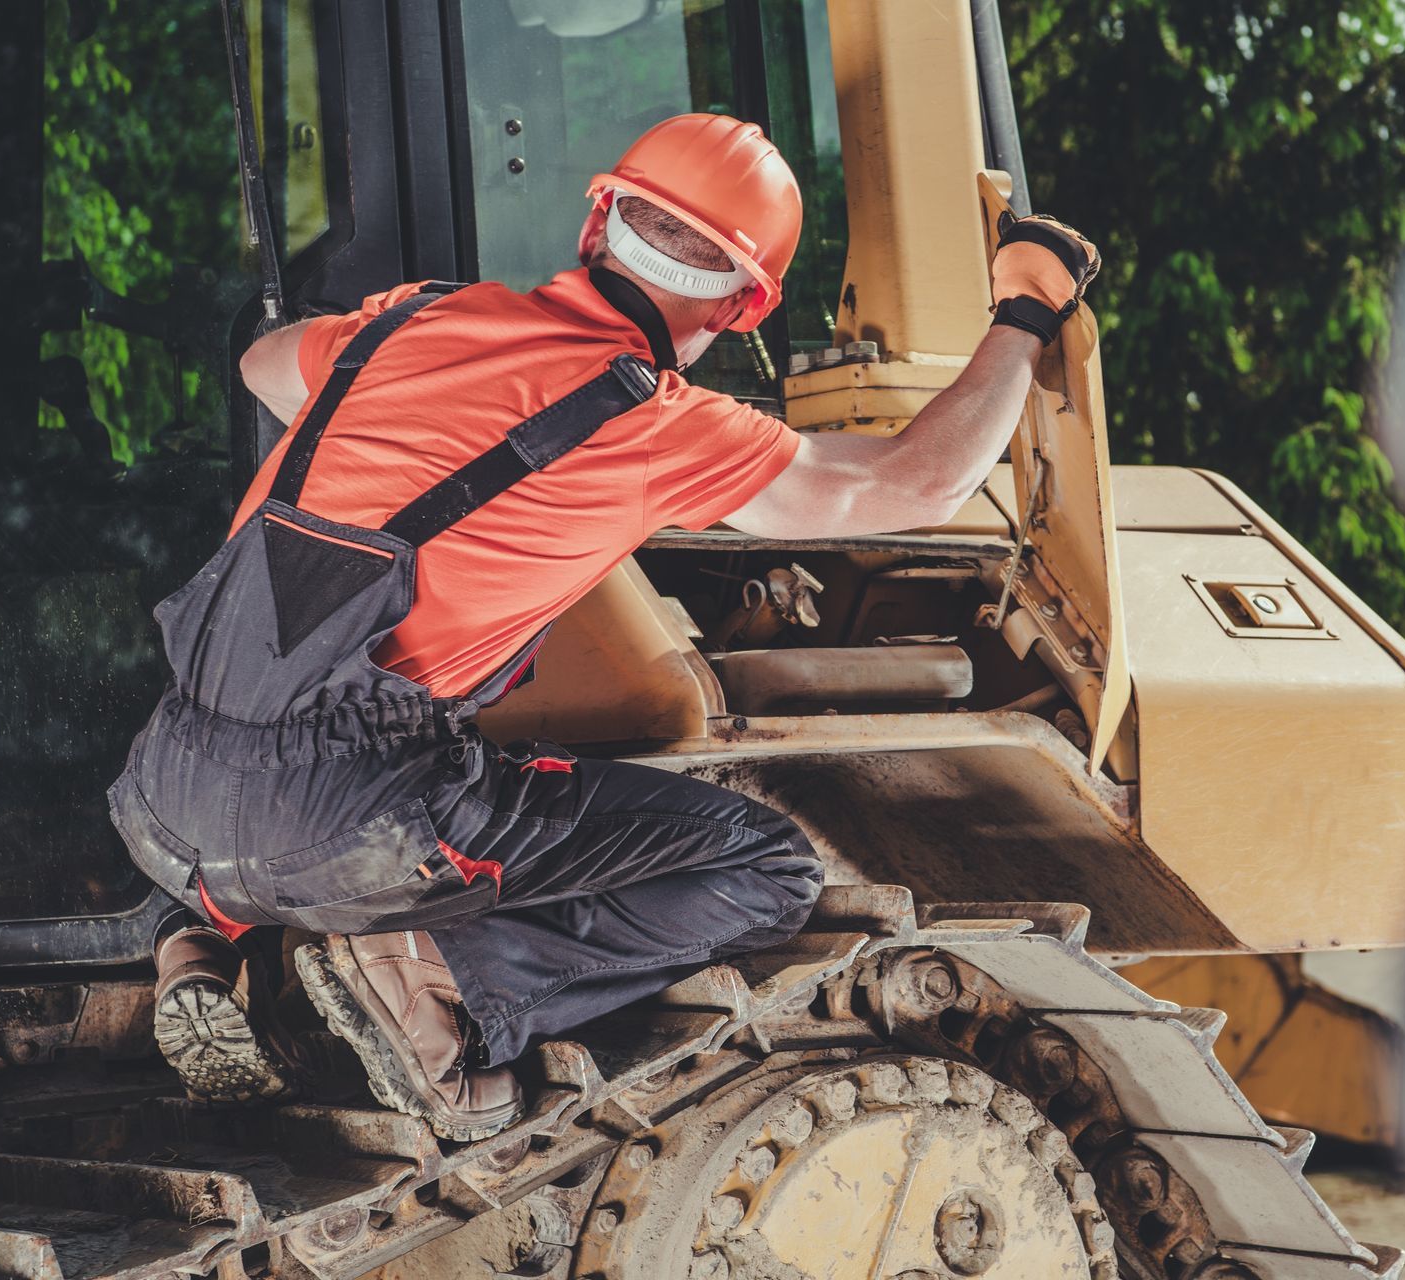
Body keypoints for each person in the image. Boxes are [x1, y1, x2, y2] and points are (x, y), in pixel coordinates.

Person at [110, 113, 1100, 1141]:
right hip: (339, 819)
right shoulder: (657, 422)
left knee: (293, 752)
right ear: (747, 306)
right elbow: (924, 479)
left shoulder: (414, 323)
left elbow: (268, 366)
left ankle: (205, 946)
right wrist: (1026, 308)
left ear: (596, 227)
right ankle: (439, 983)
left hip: (161, 792)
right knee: (767, 867)